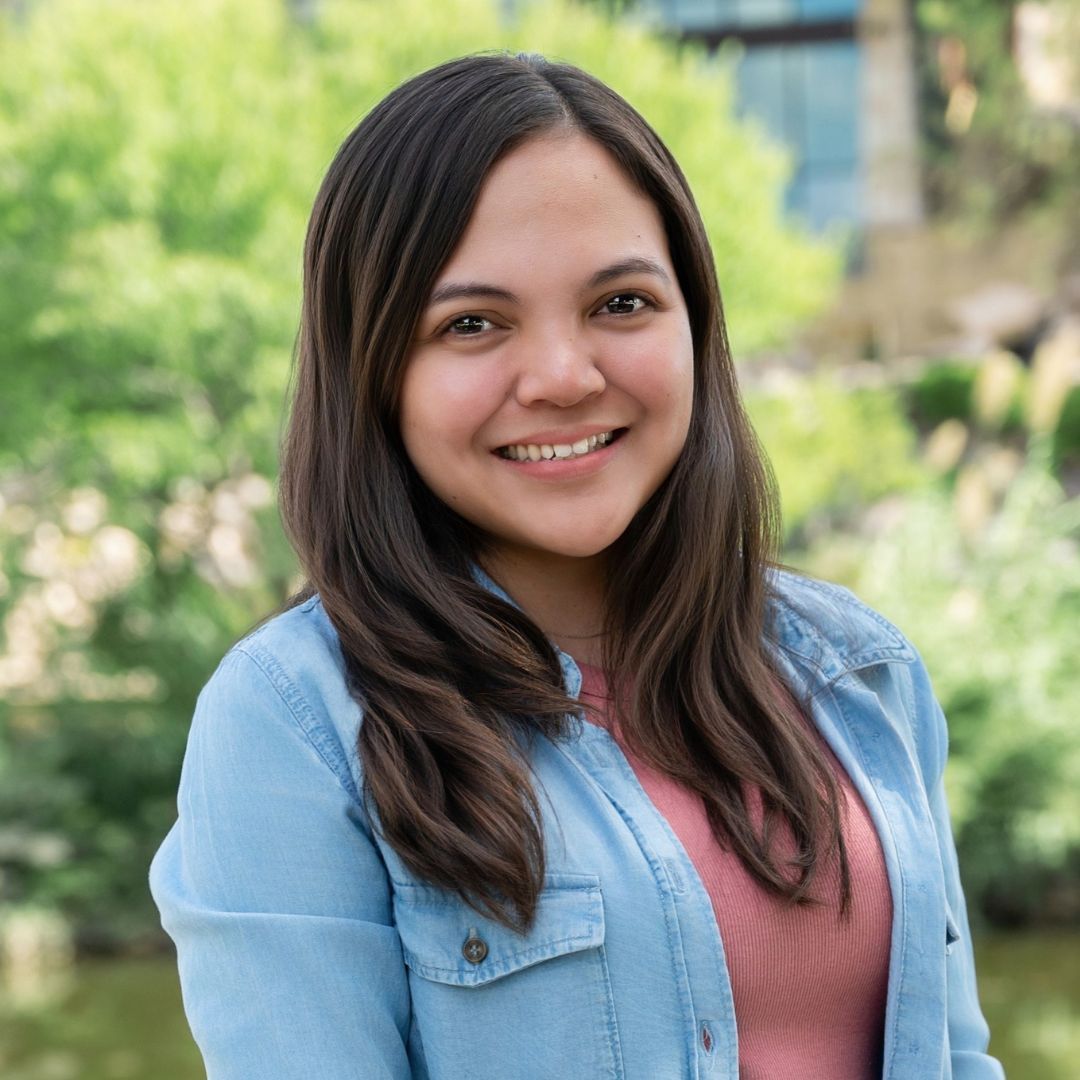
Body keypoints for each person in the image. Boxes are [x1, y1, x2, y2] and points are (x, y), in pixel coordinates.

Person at [149, 52, 1003, 1080]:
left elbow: (957, 1059)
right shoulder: (295, 725)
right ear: (372, 370)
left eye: (621, 304)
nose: (563, 375)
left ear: (694, 323)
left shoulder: (857, 673)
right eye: (472, 324)